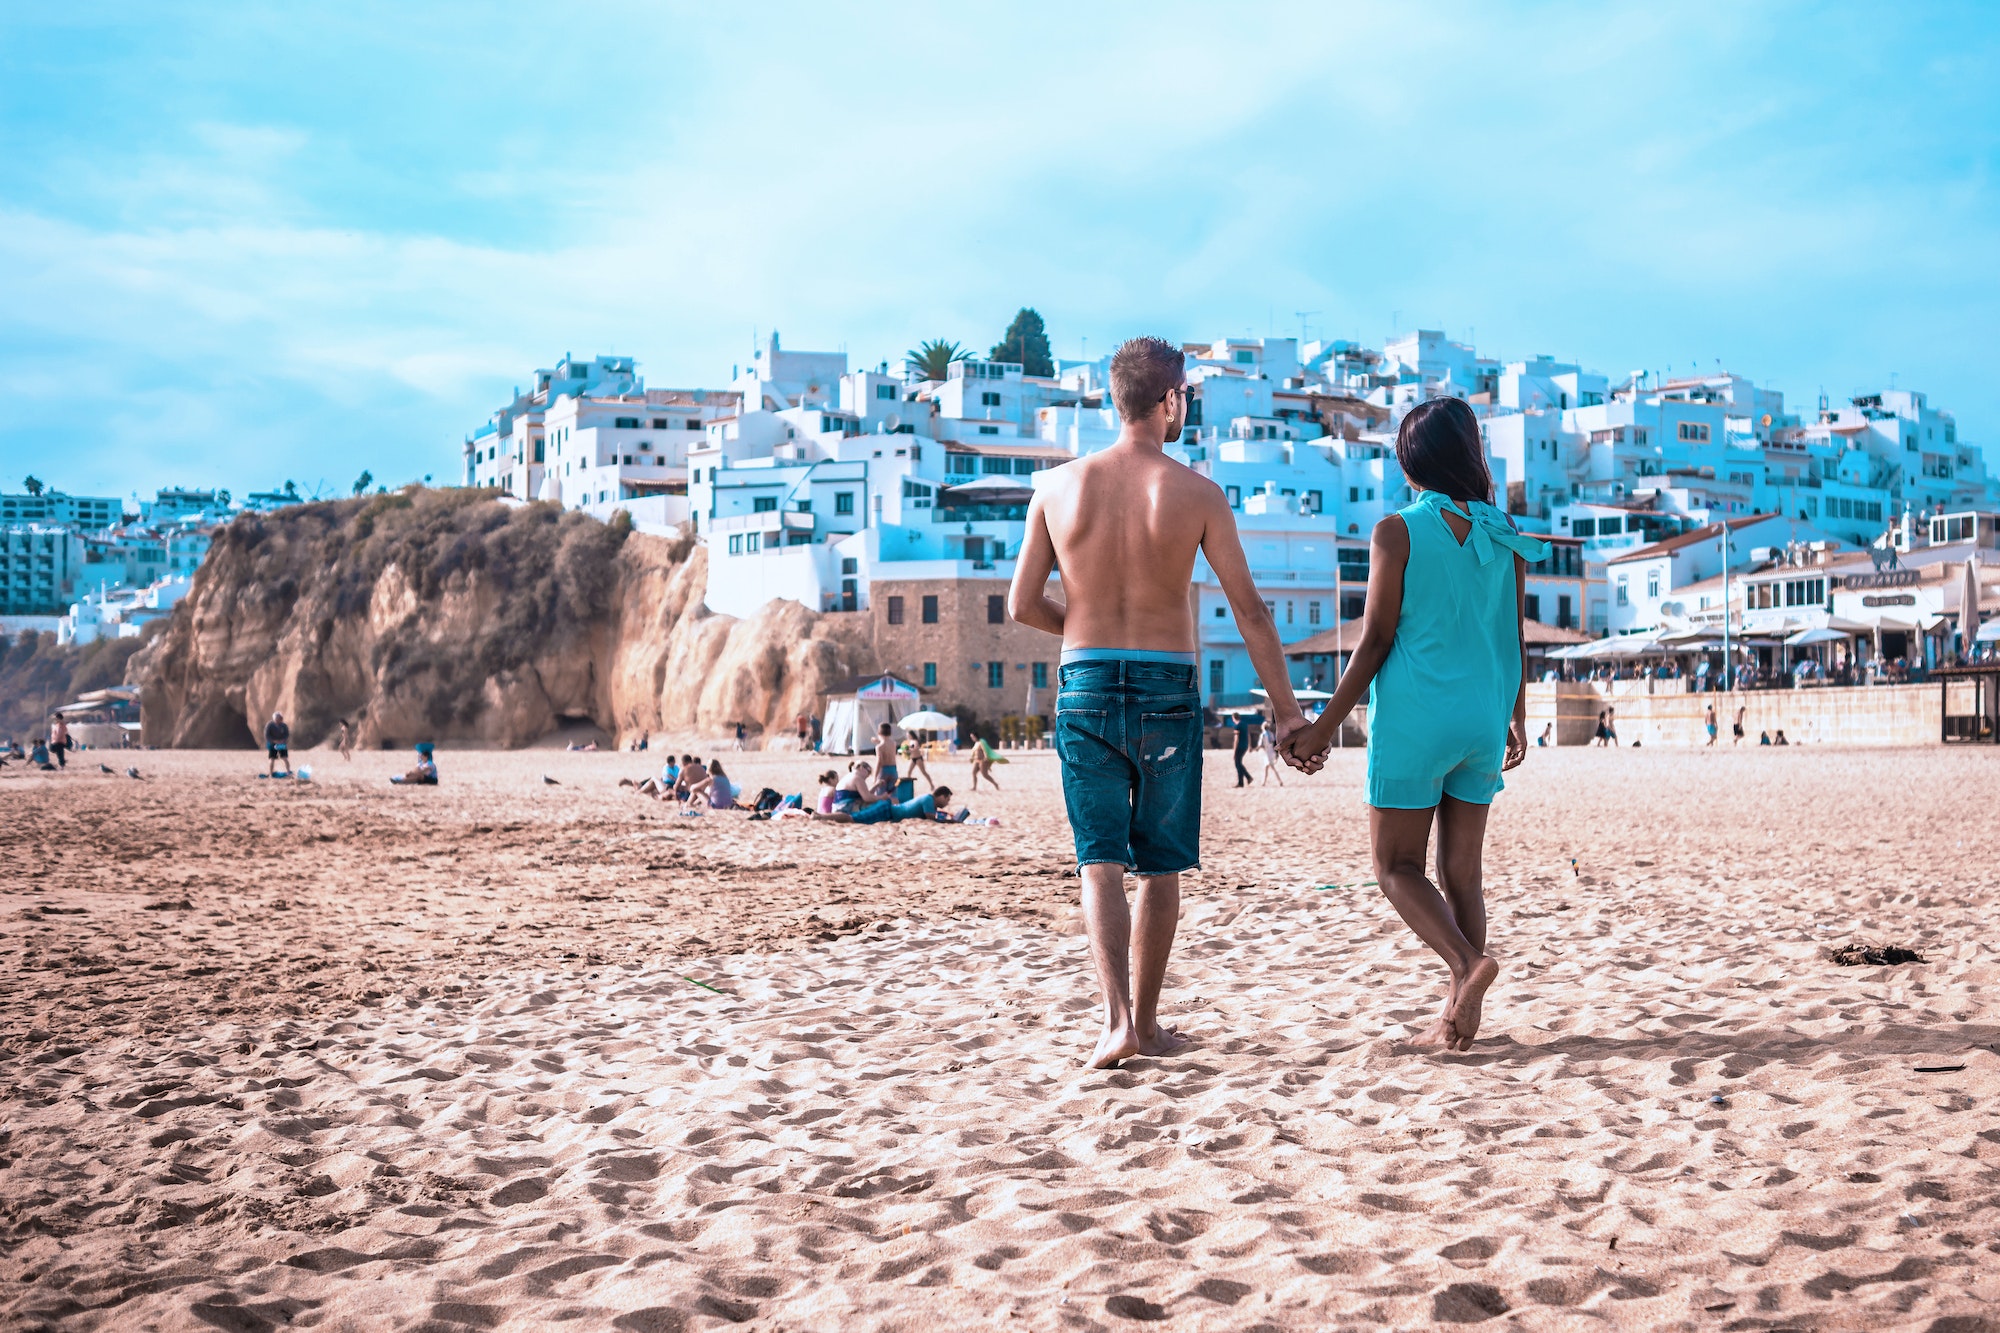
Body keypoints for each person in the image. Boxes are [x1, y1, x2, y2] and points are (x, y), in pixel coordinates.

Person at [1008, 334, 1305, 1068]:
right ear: (1169, 400)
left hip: (1084, 684)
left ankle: (1116, 1025)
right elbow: (1252, 613)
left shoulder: (1055, 488)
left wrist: (1079, 627)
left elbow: (1020, 603)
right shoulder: (1196, 492)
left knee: (1100, 861)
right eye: (1187, 396)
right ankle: (1147, 1019)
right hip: (1167, 687)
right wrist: (1289, 711)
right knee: (1160, 866)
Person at [1281, 396, 1547, 1052]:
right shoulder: (1502, 532)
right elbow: (1514, 637)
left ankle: (1466, 966)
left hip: (1417, 718)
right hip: (1483, 717)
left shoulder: (1396, 531)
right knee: (1463, 874)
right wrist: (1515, 715)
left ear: (1413, 461)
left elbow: (1373, 641)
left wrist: (1321, 728)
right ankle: (1457, 1020)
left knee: (1395, 864)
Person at [820, 785, 958, 824]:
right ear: (941, 796)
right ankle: (821, 817)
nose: (947, 803)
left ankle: (822, 817)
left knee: (853, 817)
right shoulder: (929, 799)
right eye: (947, 799)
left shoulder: (930, 801)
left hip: (888, 811)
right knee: (852, 818)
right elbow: (931, 819)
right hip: (887, 810)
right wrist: (951, 822)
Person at [873, 722, 900, 797]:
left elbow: (879, 761)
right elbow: (886, 744)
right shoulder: (893, 744)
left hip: (883, 770)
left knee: (880, 794)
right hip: (893, 769)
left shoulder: (879, 747)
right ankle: (897, 807)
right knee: (894, 794)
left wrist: (875, 776)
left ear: (879, 733)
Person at [1258, 714, 1286, 786]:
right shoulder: (1271, 734)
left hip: (1267, 753)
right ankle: (1264, 782)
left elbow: (1260, 745)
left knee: (1271, 767)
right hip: (1272, 752)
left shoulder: (1263, 735)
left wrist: (1255, 749)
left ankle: (1280, 781)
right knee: (1266, 768)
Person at [265, 711, 292, 776]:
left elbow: (286, 734)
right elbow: (267, 735)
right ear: (274, 719)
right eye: (277, 718)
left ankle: (288, 772)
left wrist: (282, 740)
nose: (279, 720)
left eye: (280, 718)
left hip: (281, 744)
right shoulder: (270, 725)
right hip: (272, 744)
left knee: (285, 758)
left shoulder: (284, 725)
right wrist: (274, 741)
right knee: (272, 759)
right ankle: (271, 773)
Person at [1232, 713, 1254, 787]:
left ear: (1233, 718)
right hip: (1245, 746)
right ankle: (1243, 781)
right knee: (1239, 763)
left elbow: (1236, 739)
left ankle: (1246, 779)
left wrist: (1234, 752)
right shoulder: (1244, 724)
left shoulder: (1237, 726)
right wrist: (1250, 745)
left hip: (1239, 747)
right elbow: (1248, 735)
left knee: (1238, 764)